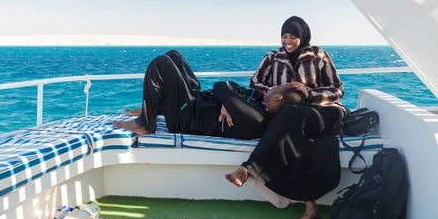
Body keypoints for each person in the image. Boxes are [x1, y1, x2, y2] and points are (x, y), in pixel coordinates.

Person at [225, 16, 346, 219]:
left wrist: (308, 95)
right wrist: (278, 93)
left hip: (321, 113)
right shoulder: (272, 57)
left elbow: (337, 89)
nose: (287, 41)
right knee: (295, 139)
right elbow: (255, 83)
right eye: (284, 36)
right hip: (288, 115)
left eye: (292, 36)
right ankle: (311, 210)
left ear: (303, 36)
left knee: (290, 118)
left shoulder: (319, 56)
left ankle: (250, 168)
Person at [113, 50, 305, 139]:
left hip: (184, 119)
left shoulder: (255, 117)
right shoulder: (258, 99)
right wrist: (227, 102)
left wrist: (227, 99)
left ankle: (145, 125)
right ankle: (154, 108)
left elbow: (221, 86)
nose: (277, 84)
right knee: (173, 55)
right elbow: (231, 86)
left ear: (279, 98)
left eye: (283, 85)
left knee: (161, 63)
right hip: (195, 103)